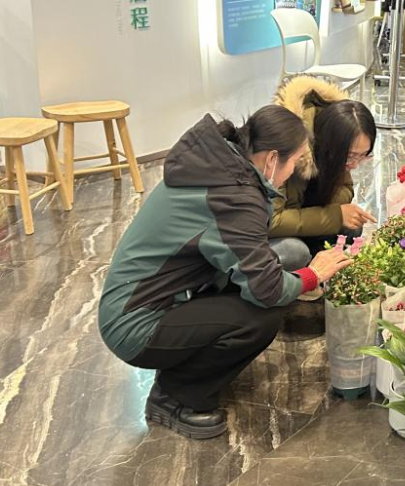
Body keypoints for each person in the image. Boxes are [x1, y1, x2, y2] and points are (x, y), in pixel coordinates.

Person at [98, 105, 352, 439]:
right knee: (262, 316)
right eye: (296, 161)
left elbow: (246, 258)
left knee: (285, 257)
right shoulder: (232, 196)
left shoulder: (223, 168)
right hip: (134, 324)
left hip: (157, 299)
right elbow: (268, 290)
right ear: (272, 159)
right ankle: (173, 398)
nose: (295, 171)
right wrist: (313, 275)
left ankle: (184, 362)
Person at [268, 76, 377, 274]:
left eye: (363, 156)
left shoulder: (338, 134)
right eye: (351, 155)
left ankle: (316, 263)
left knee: (353, 227)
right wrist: (334, 215)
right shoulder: (284, 145)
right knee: (294, 253)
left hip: (299, 215)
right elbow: (271, 222)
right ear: (329, 143)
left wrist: (336, 211)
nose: (353, 164)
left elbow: (345, 188)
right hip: (261, 232)